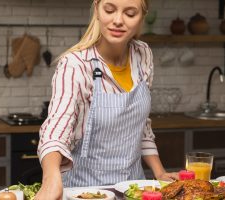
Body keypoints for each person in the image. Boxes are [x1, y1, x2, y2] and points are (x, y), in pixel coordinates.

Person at [35, 0, 179, 199]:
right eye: (109, 10)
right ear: (97, 10)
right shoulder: (76, 65)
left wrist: (159, 172)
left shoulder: (142, 54)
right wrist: (51, 180)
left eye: (130, 13)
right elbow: (56, 129)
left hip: (133, 190)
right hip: (85, 191)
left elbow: (141, 126)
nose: (118, 20)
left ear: (142, 17)